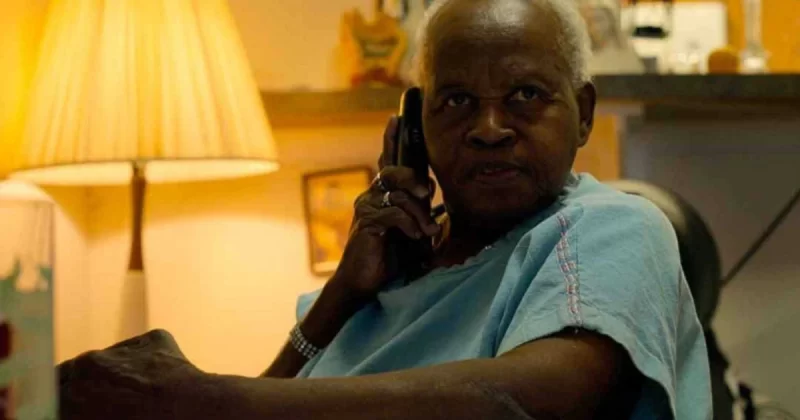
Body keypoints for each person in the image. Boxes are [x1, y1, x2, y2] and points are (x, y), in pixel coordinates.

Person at [56, 0, 712, 418]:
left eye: (525, 95)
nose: (489, 128)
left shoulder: (613, 227)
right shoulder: (382, 277)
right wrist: (340, 297)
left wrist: (203, 396)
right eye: (456, 101)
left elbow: (523, 401)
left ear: (583, 113)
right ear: (414, 126)